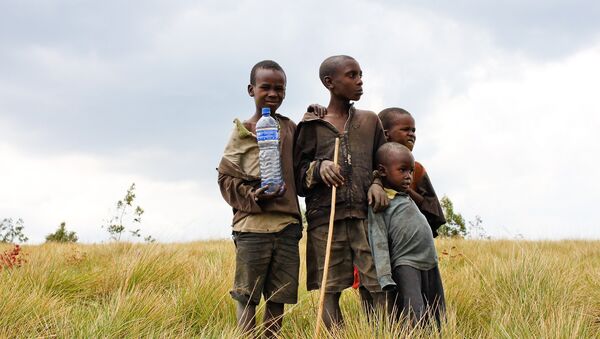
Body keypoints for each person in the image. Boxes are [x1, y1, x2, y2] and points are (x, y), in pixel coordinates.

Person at [294, 55, 389, 330]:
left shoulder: (370, 122)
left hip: (365, 218)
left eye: (361, 75)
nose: (360, 81)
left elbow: (383, 165)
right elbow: (298, 178)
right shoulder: (311, 126)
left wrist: (376, 183)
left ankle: (379, 334)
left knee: (377, 285)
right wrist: (318, 168)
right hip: (326, 220)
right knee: (329, 289)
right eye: (352, 75)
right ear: (330, 83)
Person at [217, 60, 302, 338]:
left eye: (280, 88)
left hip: (287, 227)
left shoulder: (290, 129)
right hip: (251, 228)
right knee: (246, 295)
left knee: (278, 296)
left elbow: (302, 167)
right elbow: (226, 181)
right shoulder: (242, 132)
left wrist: (315, 114)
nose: (273, 94)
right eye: (265, 87)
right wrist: (254, 195)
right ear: (251, 89)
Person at [368, 142, 445, 327]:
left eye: (410, 171)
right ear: (382, 171)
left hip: (430, 263)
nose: (409, 177)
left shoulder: (405, 196)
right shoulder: (381, 200)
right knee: (413, 314)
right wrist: (385, 276)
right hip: (405, 263)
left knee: (437, 312)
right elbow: (377, 238)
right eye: (402, 170)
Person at [378, 107, 446, 236]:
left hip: (409, 238)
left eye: (413, 130)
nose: (411, 134)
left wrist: (407, 191)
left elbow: (433, 212)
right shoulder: (370, 165)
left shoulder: (417, 169)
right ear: (386, 134)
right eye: (405, 129)